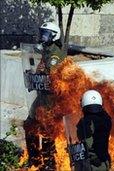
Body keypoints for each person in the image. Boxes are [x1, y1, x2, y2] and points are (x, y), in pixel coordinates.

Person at [23, 22, 66, 169]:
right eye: (42, 33)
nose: (42, 37)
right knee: (29, 125)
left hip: (51, 99)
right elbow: (41, 72)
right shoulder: (46, 51)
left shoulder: (55, 54)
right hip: (42, 97)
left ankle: (49, 163)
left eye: (46, 34)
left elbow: (52, 75)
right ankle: (34, 160)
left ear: (54, 36)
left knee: (47, 129)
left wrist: (42, 72)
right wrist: (31, 76)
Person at [77, 90, 112, 171]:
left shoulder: (86, 122)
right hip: (105, 161)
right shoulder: (106, 119)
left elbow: (87, 143)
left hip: (93, 164)